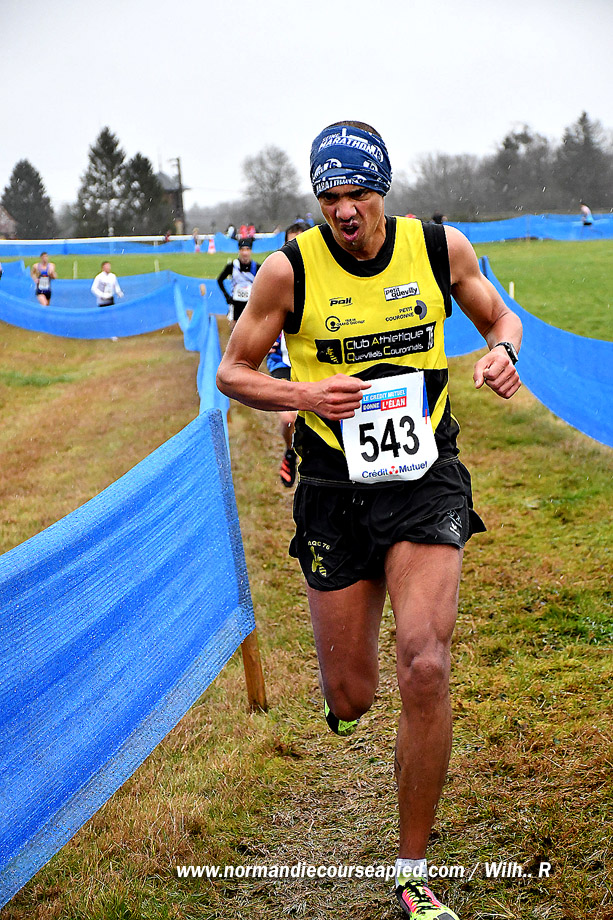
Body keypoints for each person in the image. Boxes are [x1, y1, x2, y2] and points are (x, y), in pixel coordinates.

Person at [217, 120, 522, 920]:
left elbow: (499, 318)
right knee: (351, 695)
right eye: (329, 197)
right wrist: (301, 396)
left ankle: (411, 871)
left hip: (423, 477)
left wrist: (504, 351)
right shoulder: (288, 270)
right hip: (332, 486)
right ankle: (345, 698)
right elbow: (232, 371)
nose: (343, 210)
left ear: (382, 189)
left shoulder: (438, 249)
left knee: (424, 662)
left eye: (356, 193)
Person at [266, 222, 307, 487]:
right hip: (282, 361)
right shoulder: (277, 281)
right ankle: (290, 452)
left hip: (315, 362)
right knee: (289, 417)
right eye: (292, 243)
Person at [216, 239, 261, 329]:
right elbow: (220, 280)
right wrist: (227, 297)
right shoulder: (232, 266)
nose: (245, 253)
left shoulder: (256, 267)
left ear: (251, 251)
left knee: (251, 328)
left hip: (250, 304)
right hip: (236, 304)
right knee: (235, 329)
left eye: (247, 249)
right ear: (239, 251)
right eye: (242, 250)